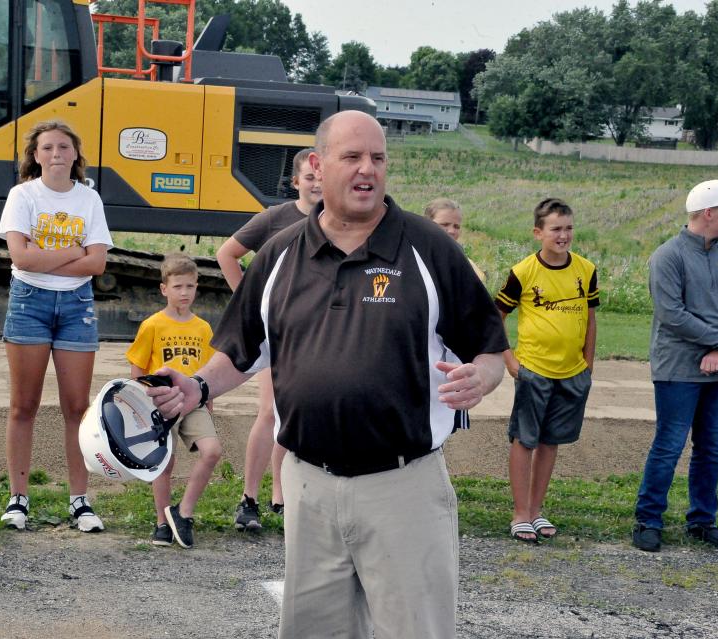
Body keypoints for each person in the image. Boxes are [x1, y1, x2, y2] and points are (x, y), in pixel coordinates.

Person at [146, 110, 507, 638]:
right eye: (353, 157)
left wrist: (483, 376)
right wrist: (197, 386)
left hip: (403, 487)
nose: (368, 169)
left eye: (378, 158)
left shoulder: (431, 249)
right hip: (308, 486)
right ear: (317, 165)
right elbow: (241, 350)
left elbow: (492, 349)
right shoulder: (279, 256)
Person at [0, 120, 113, 533]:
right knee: (22, 405)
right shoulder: (22, 195)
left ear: (76, 154)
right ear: (35, 155)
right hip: (30, 301)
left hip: (77, 305)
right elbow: (21, 259)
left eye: (64, 147)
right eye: (47, 148)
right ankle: (18, 498)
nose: (56, 154)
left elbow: (97, 263)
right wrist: (71, 251)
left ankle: (80, 500)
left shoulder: (89, 199)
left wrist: (44, 252)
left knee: (77, 408)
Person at [633, 179, 718, 554]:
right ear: (709, 213)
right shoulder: (668, 256)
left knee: (711, 447)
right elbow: (672, 314)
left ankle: (702, 520)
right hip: (676, 368)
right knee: (669, 445)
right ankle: (648, 519)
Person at [215, 147, 320, 531]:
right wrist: (251, 303)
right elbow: (227, 254)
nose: (316, 183)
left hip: (319, 335)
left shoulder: (340, 222)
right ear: (296, 182)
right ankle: (249, 498)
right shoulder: (275, 218)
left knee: (301, 415)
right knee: (270, 412)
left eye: (320, 175)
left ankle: (284, 494)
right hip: (278, 334)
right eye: (308, 177)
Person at [495, 198, 599, 543]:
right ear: (538, 232)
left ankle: (537, 511)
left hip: (572, 372)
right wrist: (511, 362)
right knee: (525, 440)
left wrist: (587, 365)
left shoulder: (586, 269)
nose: (563, 235)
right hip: (534, 370)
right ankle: (520, 512)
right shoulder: (523, 272)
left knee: (550, 441)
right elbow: (496, 318)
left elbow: (591, 319)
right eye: (556, 229)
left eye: (569, 228)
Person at [126, 253, 220, 549]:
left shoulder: (203, 328)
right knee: (164, 464)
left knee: (212, 451)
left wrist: (209, 405)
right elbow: (138, 369)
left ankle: (183, 512)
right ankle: (162, 524)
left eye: (190, 286)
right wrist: (138, 404)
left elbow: (208, 375)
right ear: (164, 289)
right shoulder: (153, 325)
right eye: (178, 286)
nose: (184, 293)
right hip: (161, 404)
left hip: (193, 404)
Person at [424, 197, 486, 283]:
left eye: (456, 227)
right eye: (445, 224)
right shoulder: (410, 256)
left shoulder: (462, 259)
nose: (451, 231)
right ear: (426, 223)